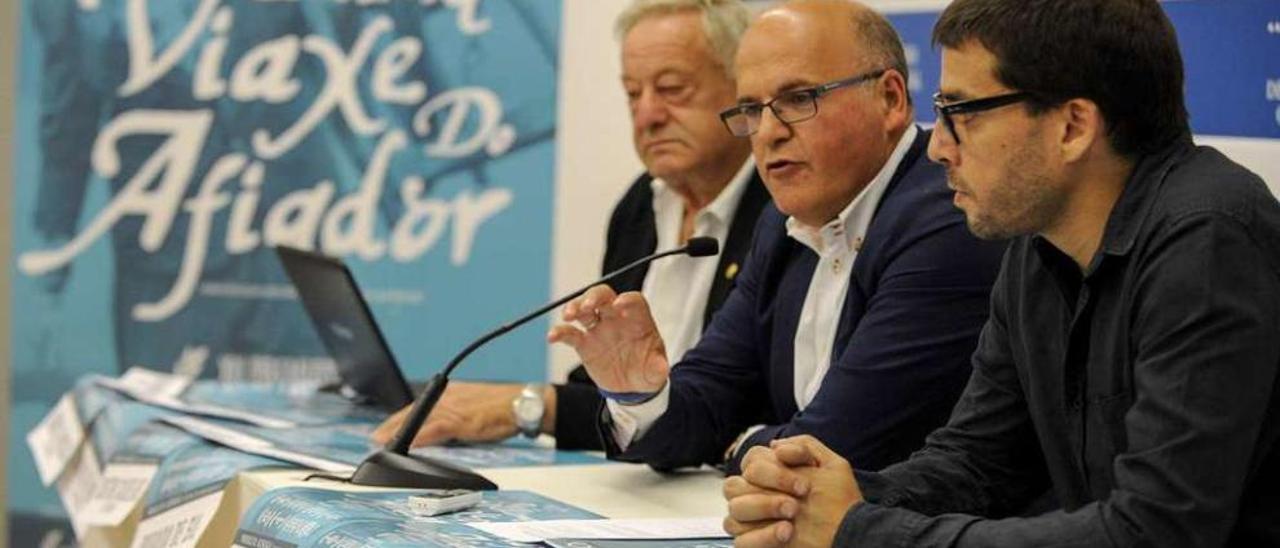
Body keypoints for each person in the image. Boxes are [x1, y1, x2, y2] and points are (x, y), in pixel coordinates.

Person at [722, 0, 1280, 546]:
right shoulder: (1037, 248)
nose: (938, 148)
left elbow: (1156, 529)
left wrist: (858, 529)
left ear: (1072, 126)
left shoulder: (1209, 238)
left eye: (960, 114)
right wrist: (811, 500)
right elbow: (976, 464)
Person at [548, 0, 1007, 474]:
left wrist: (736, 443)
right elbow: (706, 399)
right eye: (751, 108)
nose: (767, 132)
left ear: (890, 98)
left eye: (797, 99)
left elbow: (834, 448)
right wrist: (641, 393)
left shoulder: (945, 218)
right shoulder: (782, 222)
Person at [372, 0, 770, 451]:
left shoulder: (780, 211)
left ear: (746, 92)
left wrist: (524, 407)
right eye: (632, 94)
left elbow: (738, 405)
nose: (647, 116)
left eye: (672, 88)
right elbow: (605, 389)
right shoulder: (643, 203)